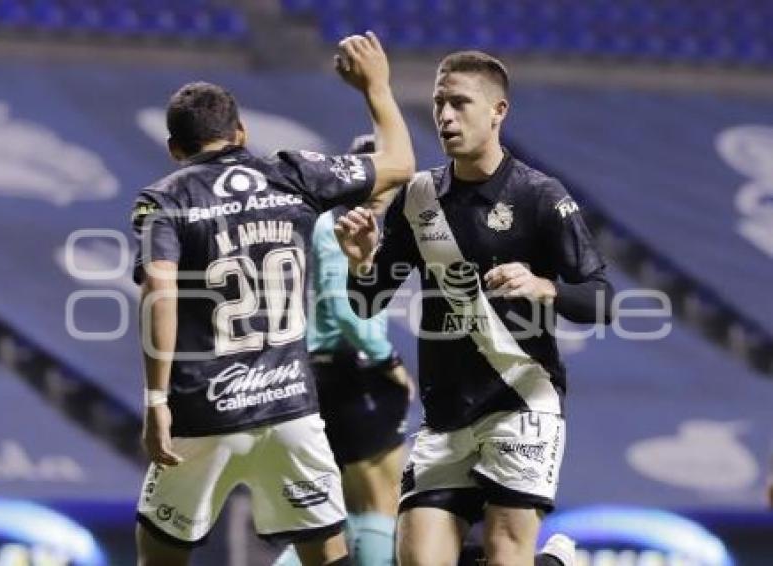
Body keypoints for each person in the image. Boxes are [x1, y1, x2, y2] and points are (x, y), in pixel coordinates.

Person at [131, 31, 414, 566]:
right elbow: (398, 162)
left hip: (203, 412)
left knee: (158, 557)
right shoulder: (293, 174)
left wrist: (155, 402)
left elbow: (159, 290)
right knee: (329, 557)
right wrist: (376, 86)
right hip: (292, 411)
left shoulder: (164, 200)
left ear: (175, 150)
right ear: (241, 132)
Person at [335, 51, 614, 566]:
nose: (444, 116)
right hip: (444, 420)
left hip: (522, 405)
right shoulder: (417, 199)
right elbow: (366, 301)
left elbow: (602, 299)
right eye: (440, 103)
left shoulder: (539, 197)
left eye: (459, 103)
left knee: (506, 554)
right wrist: (358, 264)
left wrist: (544, 286)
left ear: (497, 111)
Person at [274, 135, 415, 566]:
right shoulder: (346, 225)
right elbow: (345, 305)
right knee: (380, 502)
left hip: (322, 372)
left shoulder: (324, 222)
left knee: (334, 511)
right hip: (356, 372)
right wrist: (388, 362)